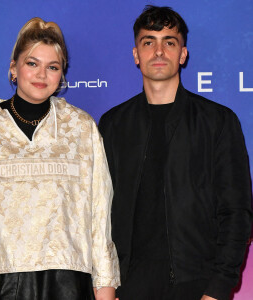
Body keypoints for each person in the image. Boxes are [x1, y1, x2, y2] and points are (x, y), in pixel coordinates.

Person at [0, 17, 120, 300]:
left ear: (61, 74)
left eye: (52, 67)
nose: (42, 74)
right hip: (1, 284)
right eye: (32, 63)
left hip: (70, 285)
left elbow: (100, 218)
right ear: (13, 67)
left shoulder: (81, 127)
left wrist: (105, 292)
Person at [98, 5, 252, 300]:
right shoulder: (113, 124)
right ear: (136, 55)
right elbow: (98, 212)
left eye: (169, 42)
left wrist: (218, 289)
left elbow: (236, 212)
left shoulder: (218, 122)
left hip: (197, 286)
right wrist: (106, 285)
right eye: (148, 42)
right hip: (128, 287)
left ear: (183, 54)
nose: (158, 51)